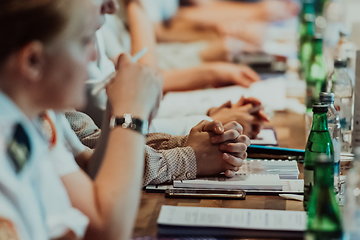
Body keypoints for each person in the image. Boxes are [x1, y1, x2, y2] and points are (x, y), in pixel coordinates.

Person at [0, 1, 249, 239]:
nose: (94, 56)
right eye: (84, 41)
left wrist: (117, 113)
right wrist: (130, 113)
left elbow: (90, 169)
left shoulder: (36, 117)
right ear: (33, 61)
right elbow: (105, 230)